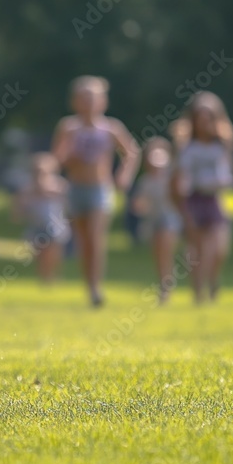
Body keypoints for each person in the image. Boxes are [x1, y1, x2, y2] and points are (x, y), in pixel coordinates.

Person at [51, 76, 141, 306]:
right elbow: (57, 159)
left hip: (100, 190)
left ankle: (95, 287)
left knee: (95, 237)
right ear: (75, 102)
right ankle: (89, 285)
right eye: (84, 98)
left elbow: (131, 152)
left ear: (103, 101)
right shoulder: (68, 127)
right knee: (83, 241)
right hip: (76, 189)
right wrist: (67, 152)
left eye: (93, 98)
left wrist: (124, 176)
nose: (89, 103)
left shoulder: (111, 128)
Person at [169, 91, 233, 304]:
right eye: (201, 117)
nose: (205, 122)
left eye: (210, 117)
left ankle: (213, 278)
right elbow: (179, 177)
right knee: (197, 251)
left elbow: (228, 170)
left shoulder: (223, 145)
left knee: (219, 249)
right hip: (194, 198)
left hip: (215, 199)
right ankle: (198, 293)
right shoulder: (186, 148)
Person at [131, 137, 182, 304]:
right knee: (158, 254)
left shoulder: (172, 179)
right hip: (152, 221)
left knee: (166, 251)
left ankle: (166, 287)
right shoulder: (145, 181)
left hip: (170, 219)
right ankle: (163, 284)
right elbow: (139, 203)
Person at [15, 153, 69, 283]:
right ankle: (43, 275)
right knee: (40, 252)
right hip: (37, 224)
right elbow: (20, 206)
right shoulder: (28, 187)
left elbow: (66, 200)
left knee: (54, 251)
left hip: (55, 224)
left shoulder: (58, 184)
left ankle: (52, 275)